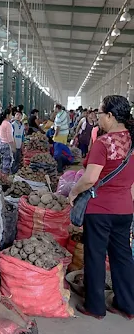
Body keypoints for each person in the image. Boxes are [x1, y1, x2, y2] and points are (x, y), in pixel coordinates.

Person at [69, 95, 134, 320]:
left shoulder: (103, 143)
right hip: (125, 209)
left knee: (95, 256)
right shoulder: (132, 142)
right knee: (123, 256)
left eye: (100, 113)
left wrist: (73, 192)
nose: (97, 117)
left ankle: (95, 307)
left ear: (110, 116)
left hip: (100, 210)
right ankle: (127, 305)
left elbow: (90, 179)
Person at [0, 108, 15, 174]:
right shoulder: (8, 124)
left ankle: (1, 177)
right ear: (7, 115)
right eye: (11, 114)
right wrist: (13, 147)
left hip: (1, 144)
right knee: (7, 164)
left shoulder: (1, 123)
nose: (12, 116)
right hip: (7, 145)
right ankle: (5, 179)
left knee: (3, 162)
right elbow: (10, 138)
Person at [11, 109, 25, 173]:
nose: (18, 116)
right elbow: (11, 136)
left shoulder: (22, 125)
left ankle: (15, 173)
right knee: (13, 160)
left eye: (19, 115)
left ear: (22, 116)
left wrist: (22, 144)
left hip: (19, 145)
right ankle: (12, 172)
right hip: (13, 146)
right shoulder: (12, 125)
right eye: (17, 114)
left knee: (17, 160)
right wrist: (13, 146)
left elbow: (22, 136)